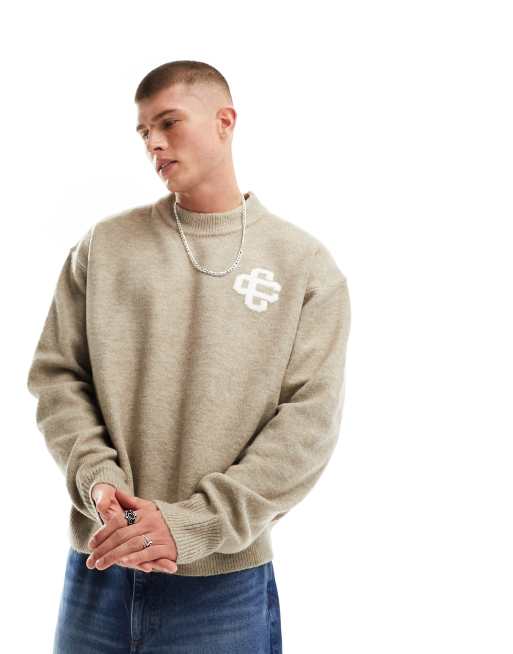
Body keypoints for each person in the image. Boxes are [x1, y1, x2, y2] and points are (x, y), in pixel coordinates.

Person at [26, 60, 351, 653]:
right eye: (144, 131)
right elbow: (58, 378)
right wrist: (100, 485)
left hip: (222, 584)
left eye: (169, 122)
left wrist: (193, 524)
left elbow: (308, 423)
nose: (153, 142)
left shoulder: (303, 265)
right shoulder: (105, 246)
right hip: (102, 562)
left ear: (225, 121)